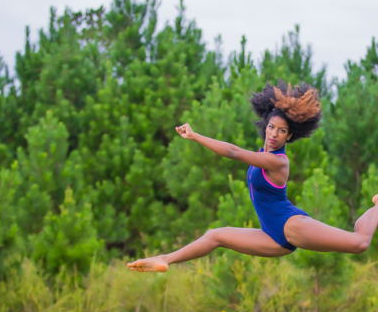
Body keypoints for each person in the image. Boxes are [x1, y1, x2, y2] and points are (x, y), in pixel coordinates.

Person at [127, 81, 378, 273]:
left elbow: (233, 151)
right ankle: (164, 259)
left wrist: (195, 136)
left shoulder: (277, 161)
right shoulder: (263, 152)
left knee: (359, 243)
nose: (274, 134)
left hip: (290, 224)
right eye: (271, 128)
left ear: (289, 136)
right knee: (215, 235)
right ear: (265, 126)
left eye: (282, 131)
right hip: (271, 236)